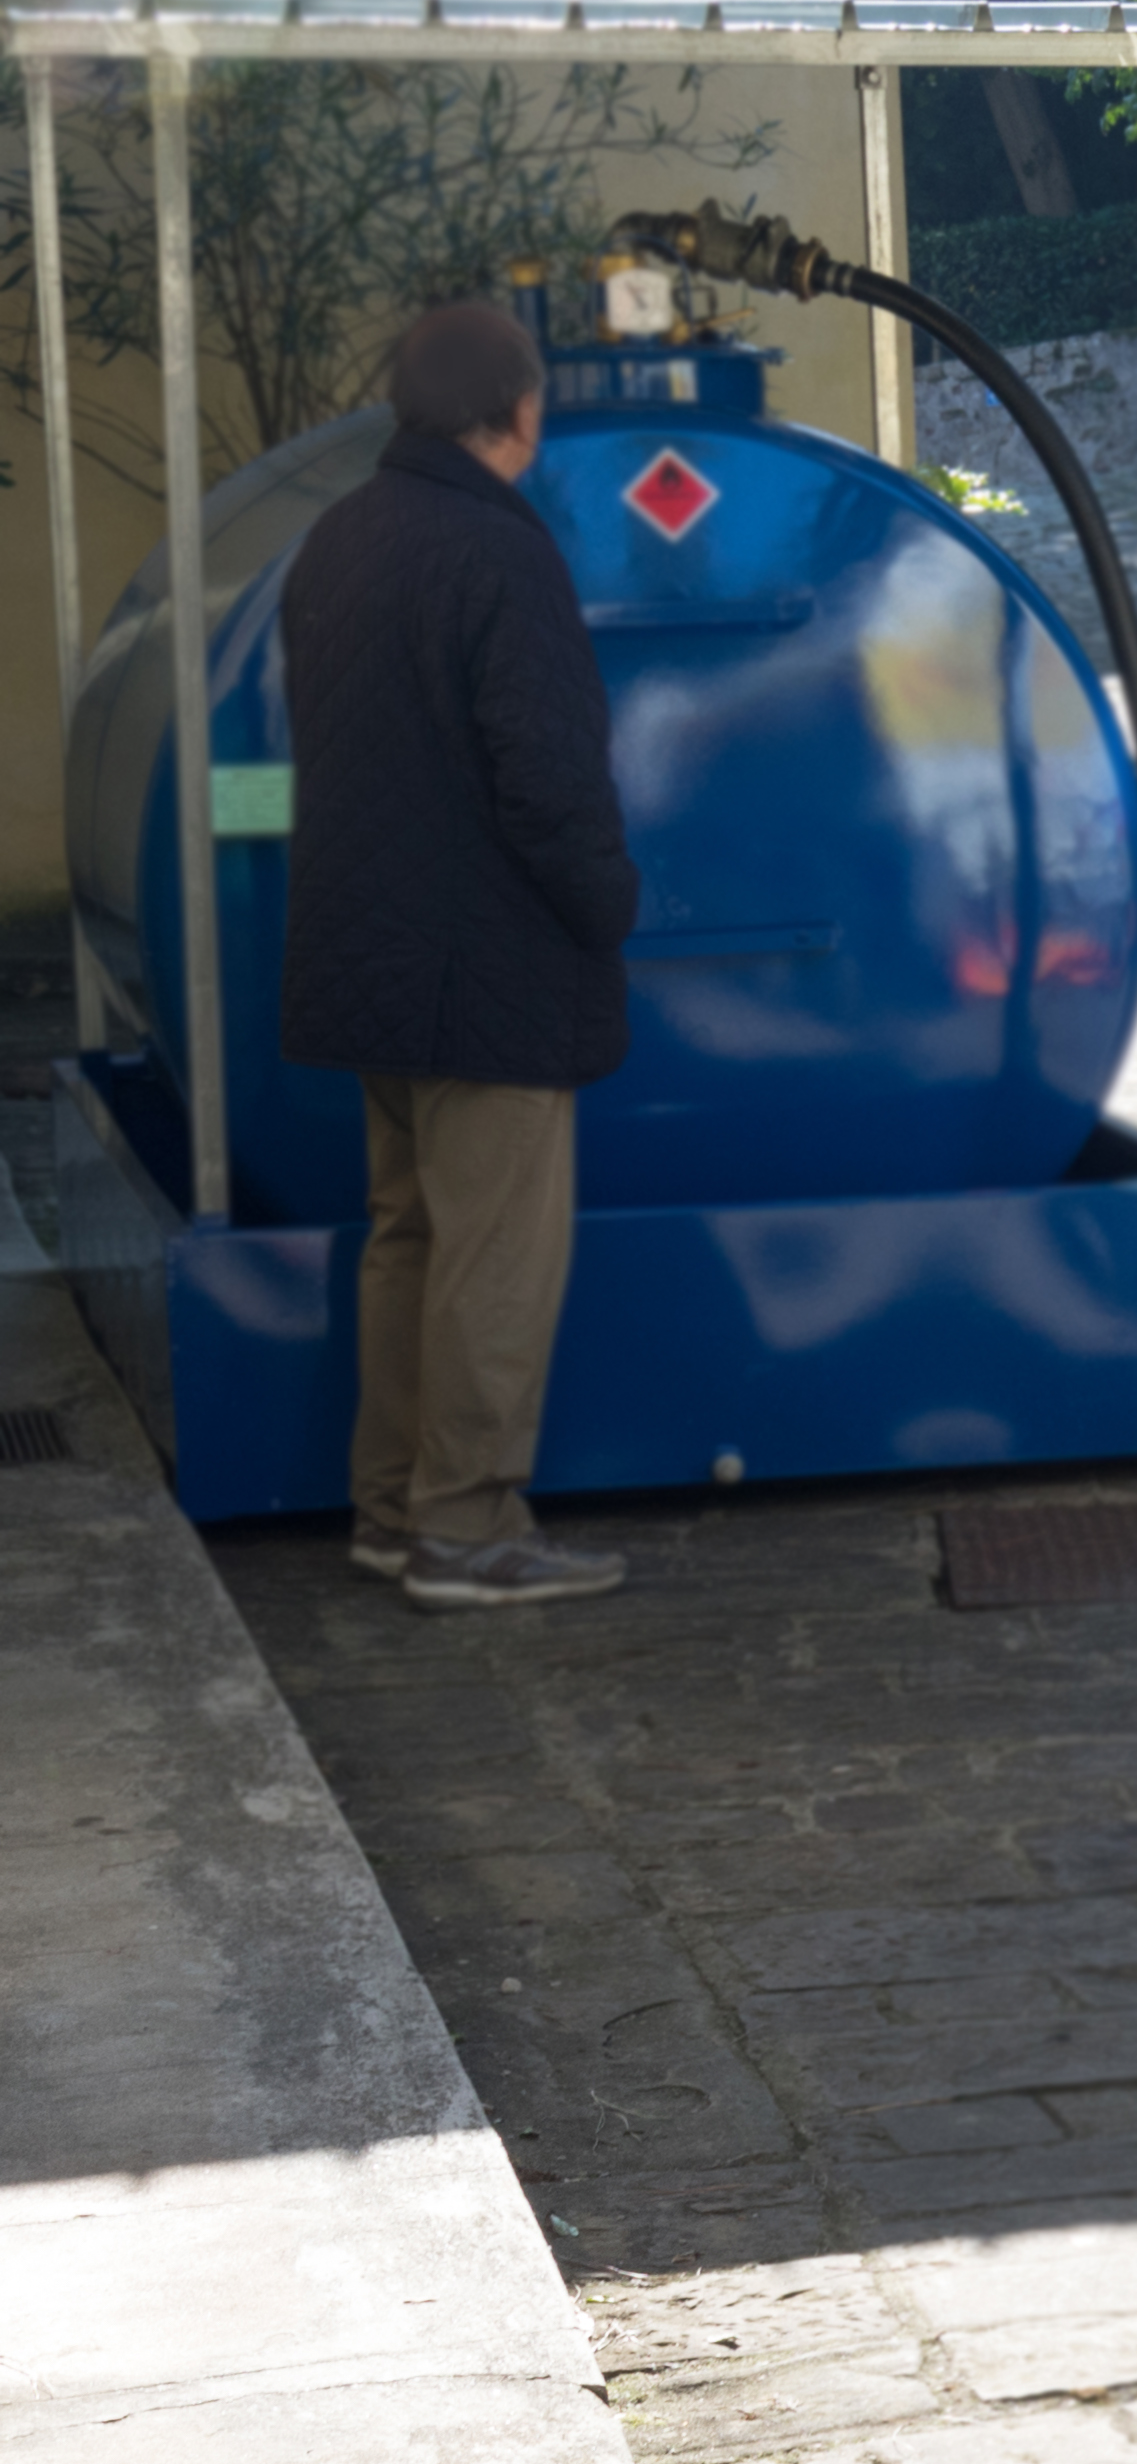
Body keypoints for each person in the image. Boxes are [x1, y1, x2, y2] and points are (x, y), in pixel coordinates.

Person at [279, 299, 639, 1612]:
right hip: (489, 969)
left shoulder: (336, 540)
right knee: (494, 1253)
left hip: (367, 962)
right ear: (520, 413)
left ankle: (392, 1511)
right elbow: (546, 778)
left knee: (409, 1237)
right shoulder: (500, 551)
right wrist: (609, 904)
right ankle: (471, 1524)